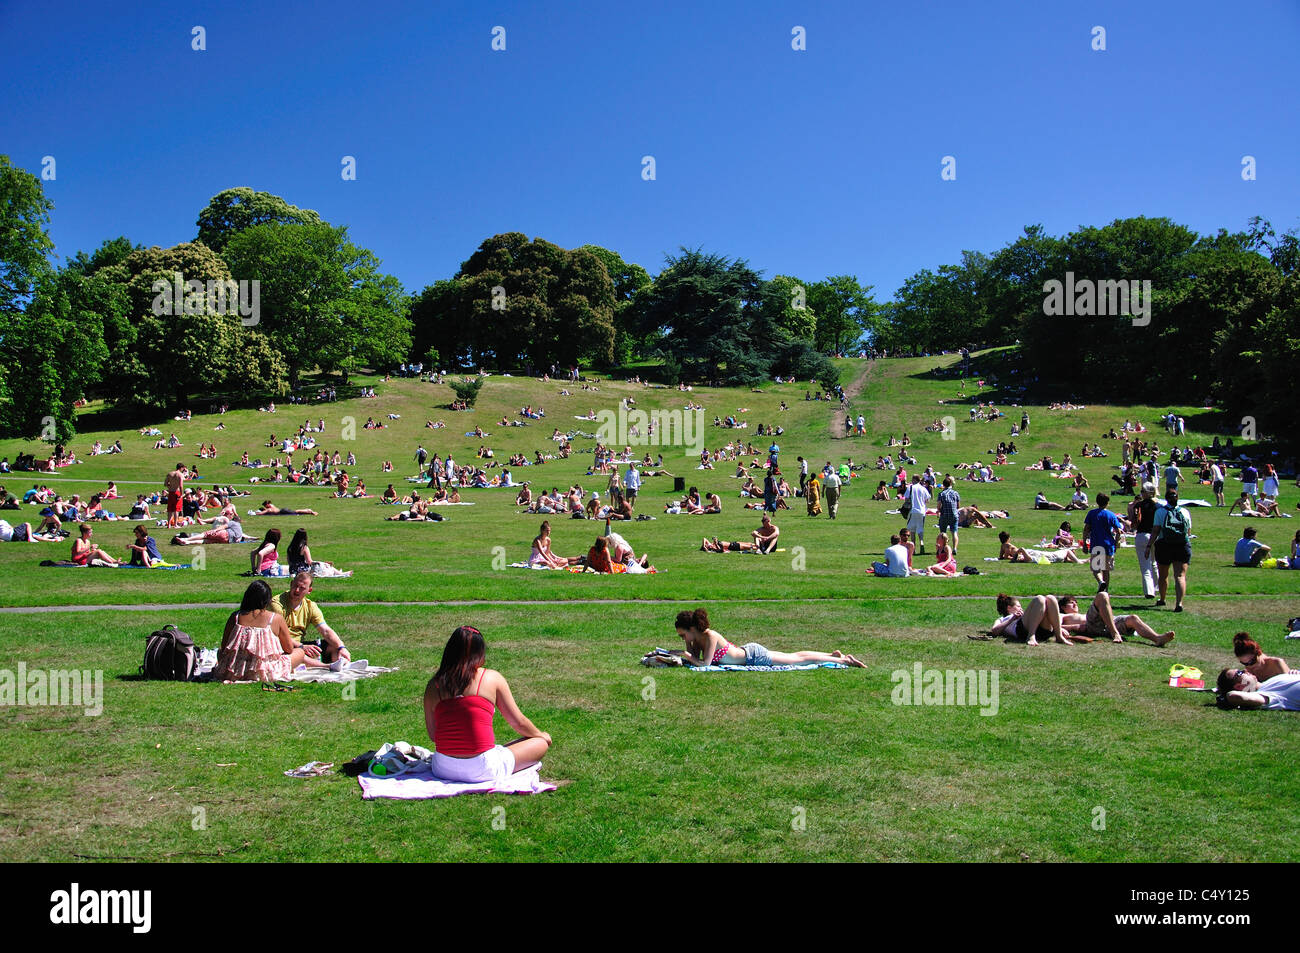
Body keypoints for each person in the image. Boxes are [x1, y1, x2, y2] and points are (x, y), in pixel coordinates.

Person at [423, 625, 552, 782]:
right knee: (539, 743)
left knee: (505, 749)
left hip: (443, 768)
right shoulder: (491, 678)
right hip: (482, 769)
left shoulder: (433, 686)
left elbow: (433, 735)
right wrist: (541, 736)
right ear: (479, 654)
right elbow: (518, 722)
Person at [672, 608, 865, 668]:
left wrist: (686, 654)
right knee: (795, 655)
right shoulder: (695, 640)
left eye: (683, 634)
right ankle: (831, 655)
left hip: (755, 656)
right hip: (748, 652)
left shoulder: (710, 635)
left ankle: (845, 660)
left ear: (692, 628)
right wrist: (686, 647)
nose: (682, 638)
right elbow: (693, 660)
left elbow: (704, 664)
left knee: (797, 660)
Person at [212, 580, 320, 682]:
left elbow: (225, 646)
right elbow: (289, 649)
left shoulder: (235, 617)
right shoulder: (275, 619)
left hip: (234, 669)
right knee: (299, 652)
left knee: (219, 652)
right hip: (264, 671)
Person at [274, 572, 351, 665]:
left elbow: (325, 630)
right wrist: (302, 647)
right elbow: (278, 635)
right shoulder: (277, 604)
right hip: (282, 645)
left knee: (334, 646)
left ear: (309, 590)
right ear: (291, 584)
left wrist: (342, 648)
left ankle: (340, 667)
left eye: (302, 588)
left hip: (300, 645)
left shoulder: (310, 606)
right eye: (295, 586)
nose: (297, 590)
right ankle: (327, 666)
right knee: (298, 654)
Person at [1058, 592, 1174, 646]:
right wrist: (1066, 628)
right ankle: (1115, 633)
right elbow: (1055, 624)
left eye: (1075, 602)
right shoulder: (1063, 615)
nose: (1075, 605)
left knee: (1133, 618)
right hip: (1092, 625)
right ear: (1063, 607)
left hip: (1109, 623)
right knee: (1102, 595)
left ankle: (1157, 638)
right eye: (1070, 603)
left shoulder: (1081, 613)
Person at [1147, 489, 1191, 611]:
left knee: (1163, 575)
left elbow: (1155, 531)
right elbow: (1188, 532)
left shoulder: (1160, 512)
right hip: (1182, 545)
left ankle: (1162, 599)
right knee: (1180, 576)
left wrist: (1149, 546)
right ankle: (1179, 603)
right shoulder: (1185, 512)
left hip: (1164, 545)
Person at [989, 594, 1069, 645]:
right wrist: (1013, 618)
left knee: (1051, 598)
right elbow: (995, 631)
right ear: (1009, 608)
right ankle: (1031, 635)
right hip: (1022, 630)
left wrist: (1059, 628)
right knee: (1039, 599)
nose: (1021, 608)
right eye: (1018, 606)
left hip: (1043, 630)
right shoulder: (1002, 619)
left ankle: (1059, 636)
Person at [1082, 493, 1123, 591]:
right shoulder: (1111, 515)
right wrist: (1117, 542)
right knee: (1106, 570)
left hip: (1096, 544)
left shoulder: (1091, 513)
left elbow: (1086, 529)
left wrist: (1084, 543)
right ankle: (1106, 591)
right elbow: (1119, 531)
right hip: (1108, 545)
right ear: (1107, 503)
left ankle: (1101, 582)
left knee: (1096, 569)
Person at [1215, 668, 1300, 711]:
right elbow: (1233, 696)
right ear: (1239, 686)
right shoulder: (1263, 695)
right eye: (1240, 673)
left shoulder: (1268, 683)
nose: (1245, 670)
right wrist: (1224, 698)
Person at [1128, 483, 1159, 598]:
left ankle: (1149, 591)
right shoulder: (1157, 506)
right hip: (1154, 535)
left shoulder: (1138, 505)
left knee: (1145, 567)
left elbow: (1133, 522)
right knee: (1154, 563)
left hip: (1141, 535)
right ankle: (1158, 587)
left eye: (1142, 491)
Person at [286, 528, 351, 576]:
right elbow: (309, 562)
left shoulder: (290, 547)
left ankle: (339, 573)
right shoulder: (304, 548)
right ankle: (341, 574)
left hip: (292, 570)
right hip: (303, 570)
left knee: (324, 565)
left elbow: (289, 561)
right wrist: (322, 563)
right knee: (326, 565)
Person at [905, 474, 931, 554]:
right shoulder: (923, 488)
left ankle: (914, 548)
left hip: (913, 510)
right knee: (920, 529)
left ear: (914, 479)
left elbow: (906, 498)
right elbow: (927, 500)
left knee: (912, 530)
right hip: (922, 511)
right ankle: (921, 542)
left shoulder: (911, 487)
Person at [936, 477, 960, 556]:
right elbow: (958, 506)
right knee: (954, 532)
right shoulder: (955, 493)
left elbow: (939, 505)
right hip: (954, 514)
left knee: (942, 533)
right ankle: (955, 548)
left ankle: (942, 548)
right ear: (950, 484)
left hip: (944, 515)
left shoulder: (942, 494)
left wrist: (939, 510)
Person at [165, 463, 187, 528]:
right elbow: (181, 485)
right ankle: (175, 524)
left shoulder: (170, 474)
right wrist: (181, 494)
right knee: (176, 509)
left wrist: (170, 487)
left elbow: (166, 483)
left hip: (171, 492)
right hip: (177, 492)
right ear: (181, 468)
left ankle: (168, 524)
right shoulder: (180, 475)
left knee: (170, 509)